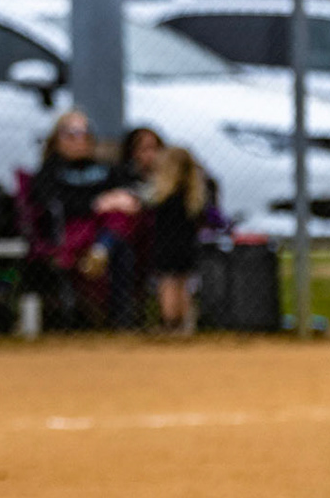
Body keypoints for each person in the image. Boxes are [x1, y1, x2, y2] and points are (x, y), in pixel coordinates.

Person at [27, 108, 142, 329]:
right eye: (72, 133)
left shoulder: (106, 168)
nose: (80, 139)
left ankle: (102, 253)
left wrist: (120, 199)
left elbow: (129, 192)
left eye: (85, 133)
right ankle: (101, 250)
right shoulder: (50, 171)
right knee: (114, 221)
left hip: (106, 232)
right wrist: (96, 203)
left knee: (119, 218)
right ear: (57, 139)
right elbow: (50, 204)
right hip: (71, 233)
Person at [142, 146, 208, 335]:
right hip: (188, 247)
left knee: (168, 283)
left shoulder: (163, 197)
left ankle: (170, 323)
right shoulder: (192, 196)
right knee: (183, 285)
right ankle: (186, 324)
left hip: (166, 247)